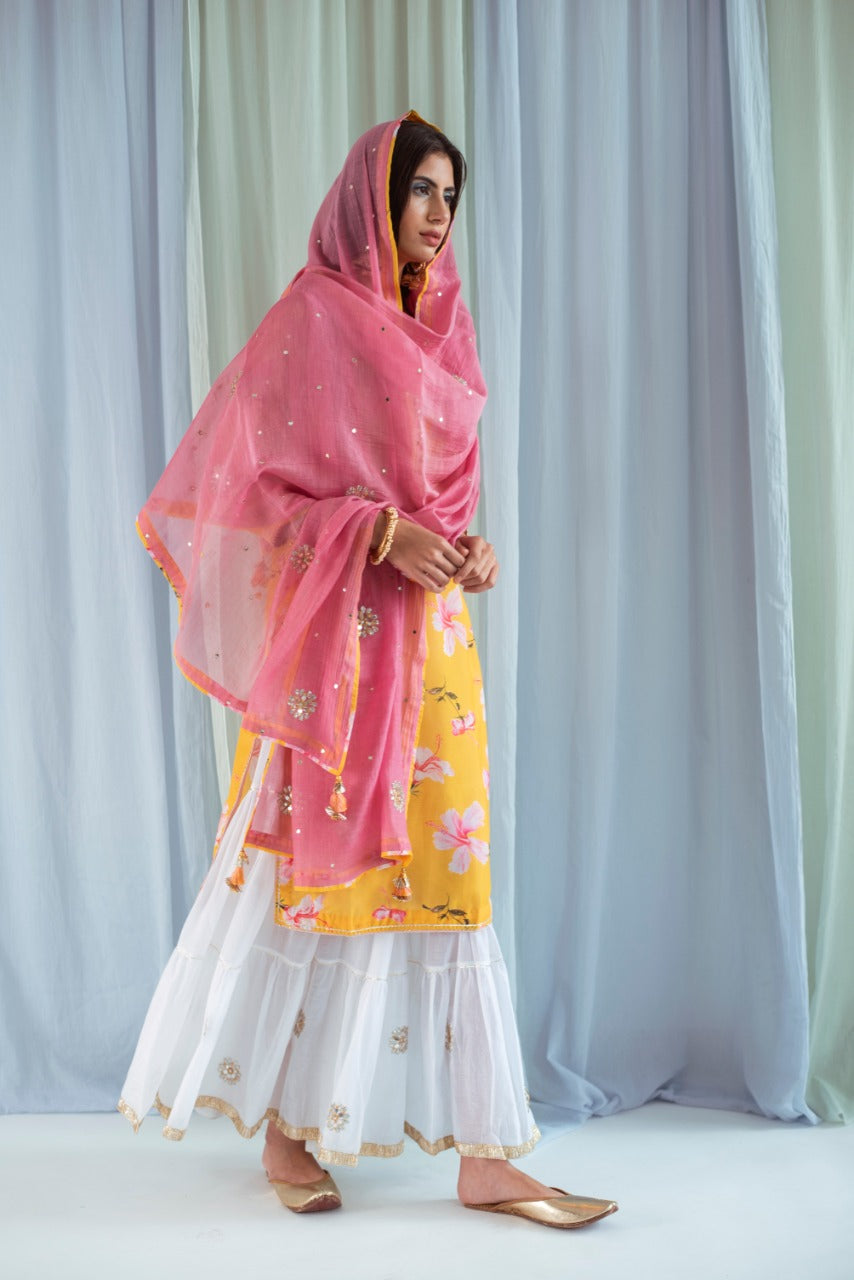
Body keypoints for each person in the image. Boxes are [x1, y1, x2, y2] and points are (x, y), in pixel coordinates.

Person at [119, 110, 617, 1231]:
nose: (440, 215)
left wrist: (466, 549)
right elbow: (248, 495)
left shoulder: (445, 332)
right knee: (316, 877)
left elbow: (437, 501)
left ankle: (487, 1153)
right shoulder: (313, 316)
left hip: (432, 652)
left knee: (450, 876)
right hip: (331, 656)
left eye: (451, 195)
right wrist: (375, 534)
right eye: (422, 191)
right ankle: (285, 1129)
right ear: (374, 200)